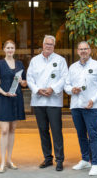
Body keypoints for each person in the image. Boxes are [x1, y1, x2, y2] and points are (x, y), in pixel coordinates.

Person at [64, 41, 97, 176]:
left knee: (93, 134)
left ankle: (96, 164)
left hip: (91, 106)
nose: (83, 51)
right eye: (81, 49)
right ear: (78, 51)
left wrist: (93, 100)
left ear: (89, 51)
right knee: (81, 134)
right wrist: (72, 89)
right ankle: (85, 160)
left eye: (85, 49)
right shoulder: (72, 67)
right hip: (76, 106)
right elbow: (66, 85)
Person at [27, 35, 68, 171]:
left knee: (56, 131)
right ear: (43, 44)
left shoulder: (60, 60)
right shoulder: (34, 61)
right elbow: (29, 78)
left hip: (54, 101)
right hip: (39, 101)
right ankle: (47, 158)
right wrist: (38, 90)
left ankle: (60, 159)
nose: (48, 46)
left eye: (51, 44)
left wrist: (53, 89)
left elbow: (64, 78)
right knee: (43, 130)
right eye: (46, 44)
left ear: (54, 46)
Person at [0, 40, 27, 173]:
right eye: (8, 48)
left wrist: (23, 82)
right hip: (3, 98)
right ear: (4, 49)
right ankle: (2, 162)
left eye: (12, 48)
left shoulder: (19, 64)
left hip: (16, 98)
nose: (10, 50)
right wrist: (3, 92)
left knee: (12, 129)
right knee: (4, 130)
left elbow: (24, 83)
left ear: (15, 49)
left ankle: (9, 160)